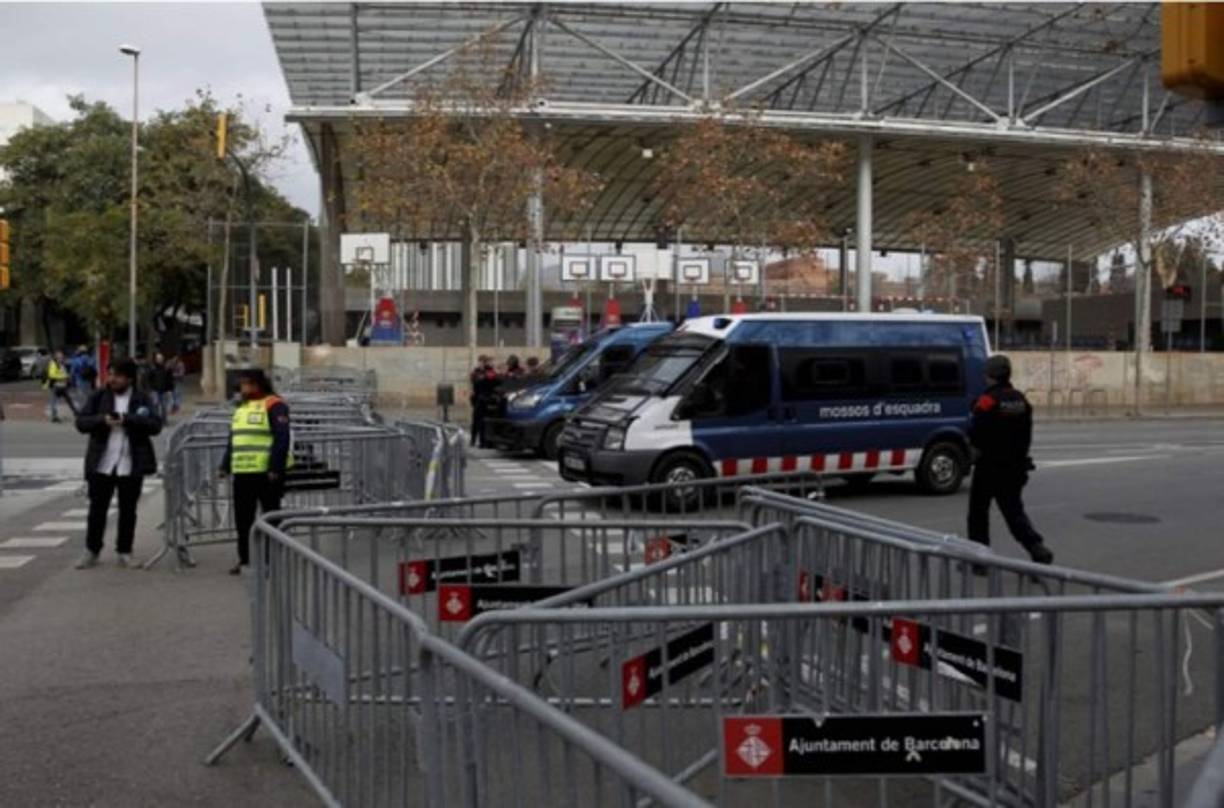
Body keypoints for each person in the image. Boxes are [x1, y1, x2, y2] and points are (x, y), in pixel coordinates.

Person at [73, 358, 162, 569]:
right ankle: (91, 550)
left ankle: (125, 550)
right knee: (97, 509)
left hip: (130, 463)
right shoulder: (99, 396)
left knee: (128, 510)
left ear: (129, 379)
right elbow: (81, 422)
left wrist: (127, 419)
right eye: (110, 374)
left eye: (118, 375)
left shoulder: (142, 399)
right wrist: (102, 420)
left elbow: (155, 425)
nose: (112, 379)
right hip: (102, 463)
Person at [967, 354, 1054, 565]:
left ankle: (980, 560)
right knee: (1014, 513)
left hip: (989, 466)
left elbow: (976, 431)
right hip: (1015, 467)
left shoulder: (988, 401)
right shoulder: (1021, 400)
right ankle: (1037, 548)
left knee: (978, 514)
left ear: (990, 376)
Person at [218, 368, 291, 575]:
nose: (241, 388)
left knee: (270, 518)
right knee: (243, 519)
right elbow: (235, 438)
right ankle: (245, 560)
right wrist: (225, 465)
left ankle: (270, 562)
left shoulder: (275, 404)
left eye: (244, 384)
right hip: (243, 472)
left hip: (267, 473)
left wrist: (275, 467)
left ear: (256, 384)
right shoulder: (242, 407)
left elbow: (281, 439)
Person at [468, 356, 498, 448]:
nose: (481, 364)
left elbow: (494, 380)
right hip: (478, 399)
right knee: (476, 421)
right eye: (480, 362)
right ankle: (473, 440)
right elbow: (474, 381)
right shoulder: (477, 372)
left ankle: (484, 442)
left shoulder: (490, 372)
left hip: (486, 399)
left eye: (483, 362)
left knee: (483, 422)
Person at [146, 352, 175, 421]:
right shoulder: (152, 369)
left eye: (161, 358)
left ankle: (164, 419)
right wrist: (150, 388)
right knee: (155, 405)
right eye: (158, 358)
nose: (160, 360)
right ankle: (156, 419)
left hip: (164, 390)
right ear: (156, 360)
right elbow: (148, 379)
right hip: (155, 390)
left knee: (164, 406)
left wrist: (170, 389)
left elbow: (170, 379)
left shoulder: (166, 369)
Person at [44, 349, 70, 423]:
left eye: (62, 356)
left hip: (61, 385)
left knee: (57, 401)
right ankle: (54, 417)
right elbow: (52, 375)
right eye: (60, 356)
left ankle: (55, 416)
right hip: (55, 385)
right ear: (56, 356)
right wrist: (64, 376)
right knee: (54, 401)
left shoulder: (61, 363)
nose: (61, 357)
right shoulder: (53, 363)